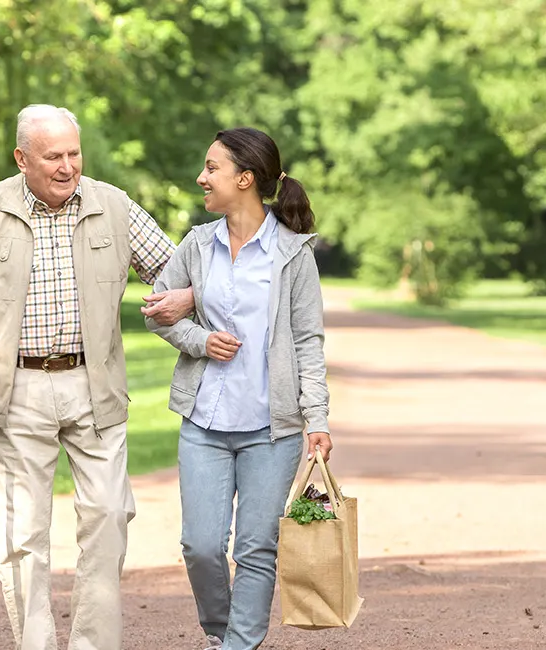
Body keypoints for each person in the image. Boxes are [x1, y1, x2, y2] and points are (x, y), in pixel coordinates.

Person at [0, 103, 193, 650]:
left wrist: (189, 294)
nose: (67, 166)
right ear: (22, 158)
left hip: (94, 387)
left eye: (74, 153)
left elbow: (175, 271)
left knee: (108, 518)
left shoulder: (112, 206)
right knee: (23, 535)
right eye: (53, 157)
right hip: (13, 389)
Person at [145, 126, 333, 650]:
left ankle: (238, 645)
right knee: (201, 546)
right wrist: (201, 340)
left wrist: (316, 417)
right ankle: (220, 633)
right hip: (204, 422)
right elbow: (157, 314)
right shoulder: (197, 245)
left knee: (256, 548)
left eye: (212, 168)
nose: (201, 178)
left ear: (245, 179)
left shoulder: (293, 255)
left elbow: (308, 342)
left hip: (271, 432)